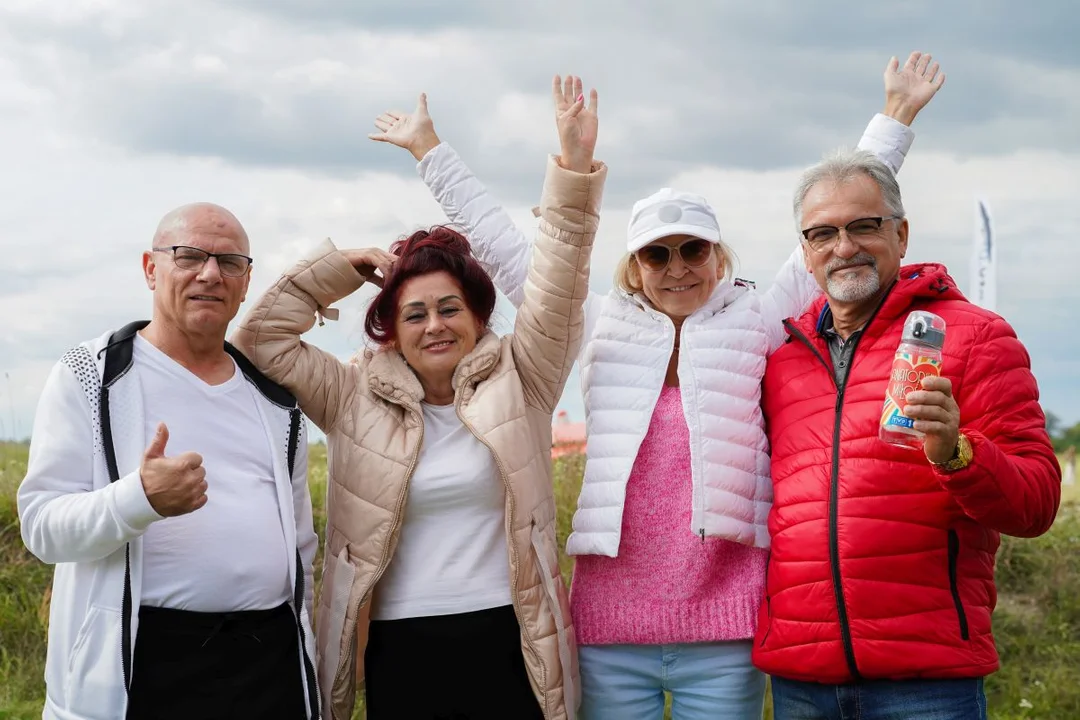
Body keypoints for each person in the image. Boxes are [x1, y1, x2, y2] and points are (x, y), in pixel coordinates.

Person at [367, 52, 944, 719]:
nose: (676, 267)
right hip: (610, 631)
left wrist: (896, 115)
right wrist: (429, 148)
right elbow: (500, 246)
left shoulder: (758, 318)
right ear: (634, 267)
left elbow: (836, 224)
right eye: (656, 253)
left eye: (692, 250)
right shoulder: (592, 323)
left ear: (718, 258)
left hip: (725, 629)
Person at [231, 75, 606, 720]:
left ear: (479, 315)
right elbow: (259, 339)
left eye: (449, 308)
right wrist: (341, 266)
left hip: (511, 637)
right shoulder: (352, 392)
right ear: (390, 328)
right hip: (401, 644)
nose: (434, 325)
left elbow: (559, 282)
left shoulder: (526, 374)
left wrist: (572, 170)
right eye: (415, 313)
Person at [756, 144, 1062, 718]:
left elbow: (1037, 503)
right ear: (805, 252)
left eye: (863, 226)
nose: (843, 247)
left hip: (925, 683)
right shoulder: (781, 359)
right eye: (822, 234)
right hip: (801, 680)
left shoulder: (975, 337)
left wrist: (958, 453)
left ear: (901, 234)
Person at [18, 204, 319, 720]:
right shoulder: (90, 377)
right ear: (149, 268)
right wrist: (138, 499)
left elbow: (302, 549)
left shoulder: (277, 401)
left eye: (229, 262)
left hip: (269, 666)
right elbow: (42, 529)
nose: (209, 273)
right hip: (145, 665)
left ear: (246, 282)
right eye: (189, 256)